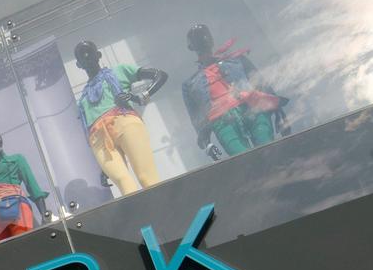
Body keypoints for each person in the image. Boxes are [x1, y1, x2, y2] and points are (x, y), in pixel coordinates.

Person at [74, 40, 168, 195]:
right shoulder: (83, 98)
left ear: (98, 55)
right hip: (98, 138)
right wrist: (103, 168)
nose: (86, 56)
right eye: (82, 55)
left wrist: (139, 97)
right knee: (125, 186)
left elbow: (160, 75)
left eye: (89, 52)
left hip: (124, 121)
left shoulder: (119, 71)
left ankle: (166, 204)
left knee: (147, 178)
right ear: (78, 64)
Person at [182, 24, 287, 157]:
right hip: (223, 122)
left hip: (252, 107)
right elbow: (197, 117)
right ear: (192, 47)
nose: (203, 40)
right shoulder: (189, 85)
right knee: (244, 160)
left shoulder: (237, 60)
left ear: (211, 40)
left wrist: (280, 112)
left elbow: (260, 84)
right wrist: (207, 143)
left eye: (205, 35)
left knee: (269, 151)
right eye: (198, 38)